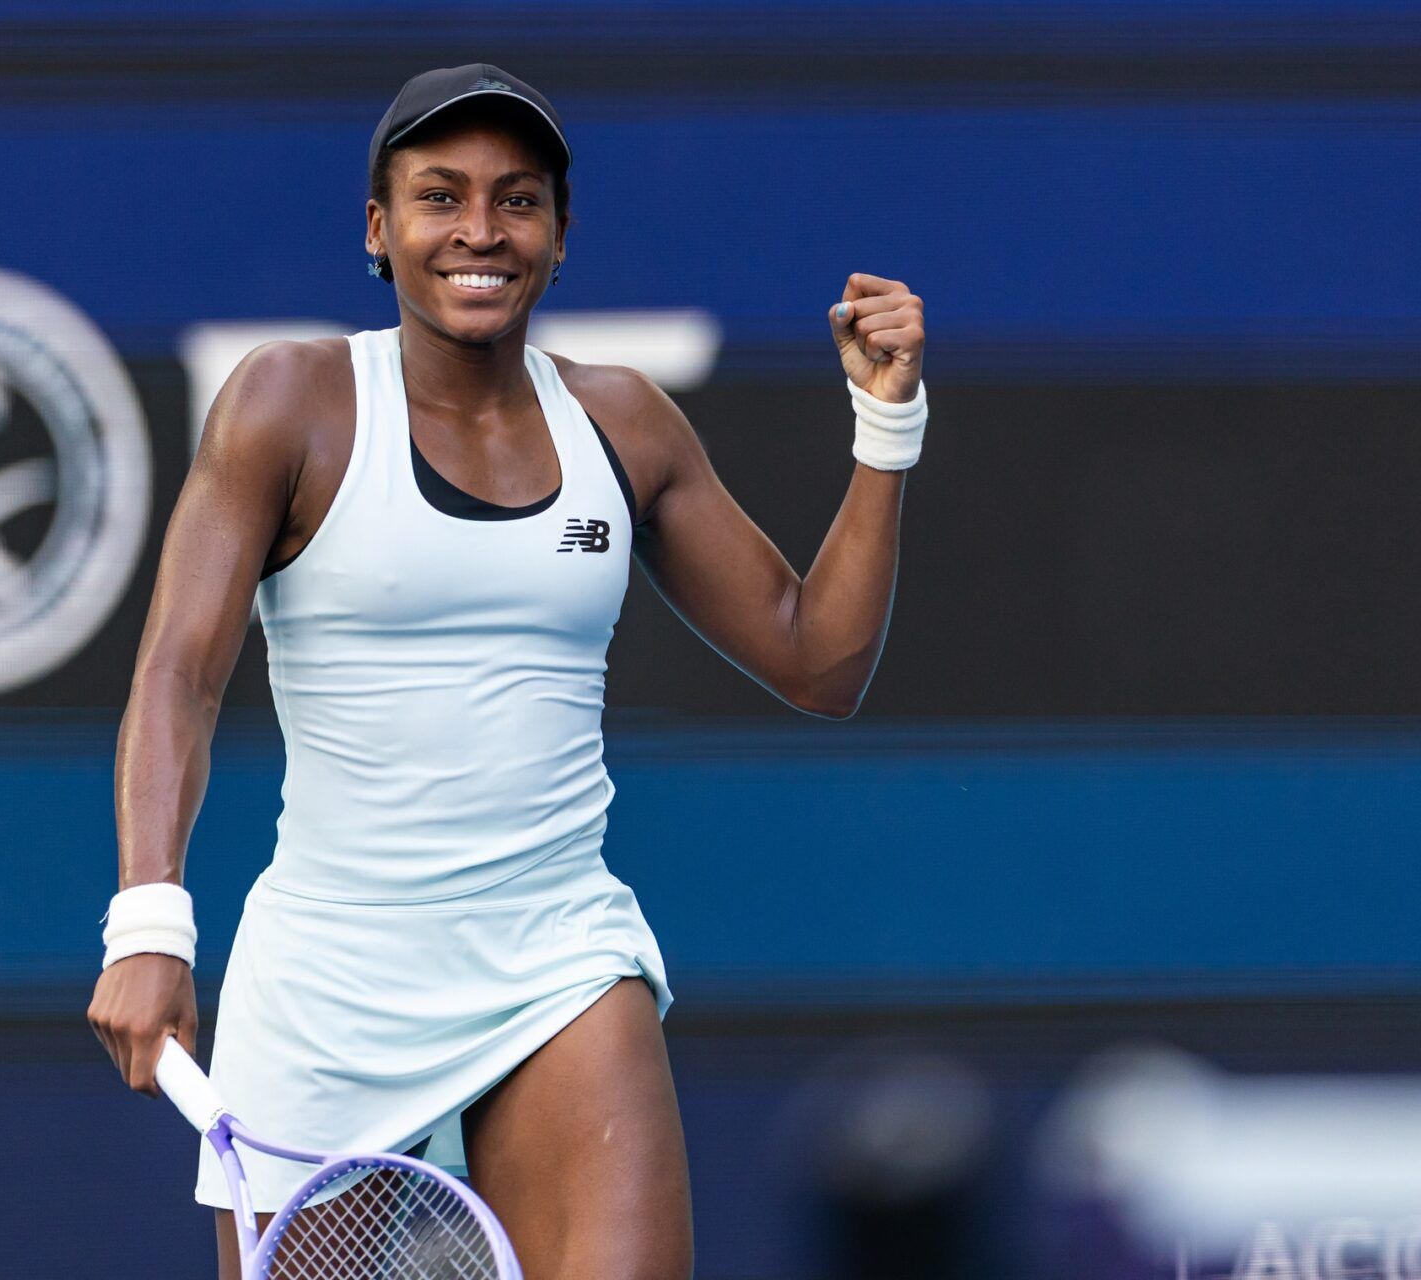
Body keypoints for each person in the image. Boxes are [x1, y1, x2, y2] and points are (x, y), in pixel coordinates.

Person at [85, 63, 927, 1280]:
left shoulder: (624, 423)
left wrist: (885, 425)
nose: (480, 231)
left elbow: (819, 658)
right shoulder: (288, 401)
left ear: (560, 236)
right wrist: (149, 915)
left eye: (517, 200)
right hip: (331, 983)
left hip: (557, 959)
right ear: (380, 230)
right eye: (441, 196)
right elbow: (179, 672)